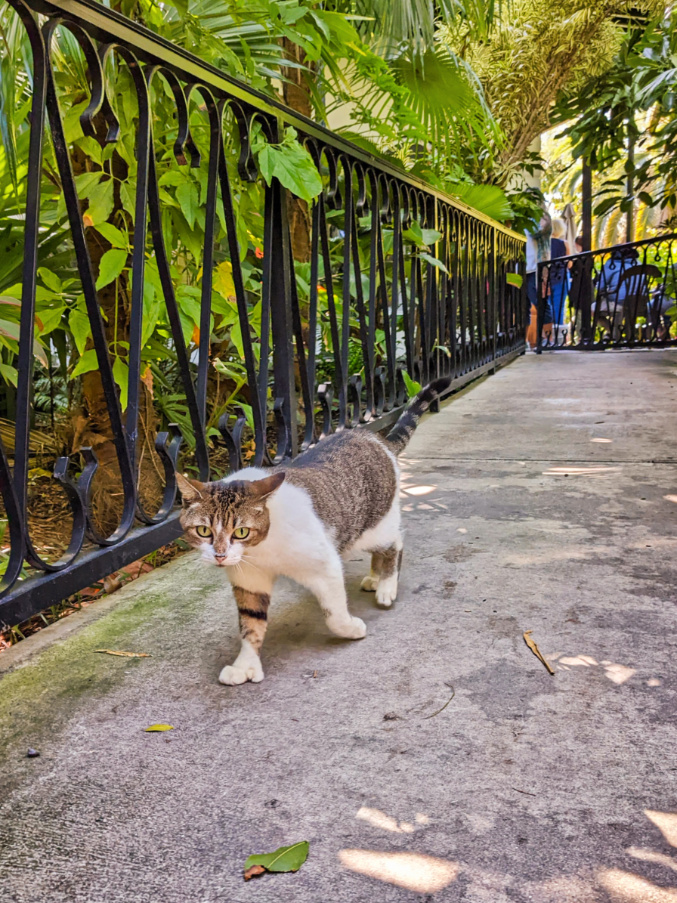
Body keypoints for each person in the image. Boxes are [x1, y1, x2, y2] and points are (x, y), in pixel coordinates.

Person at [525, 211, 553, 347]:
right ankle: (521, 343)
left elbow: (540, 229)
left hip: (536, 268)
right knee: (521, 307)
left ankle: (547, 340)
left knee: (541, 303)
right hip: (519, 268)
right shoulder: (517, 218)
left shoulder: (541, 217)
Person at [549, 218, 571, 332]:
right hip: (561, 277)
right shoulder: (564, 244)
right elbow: (570, 264)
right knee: (559, 307)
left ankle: (546, 333)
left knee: (547, 306)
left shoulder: (545, 244)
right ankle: (558, 334)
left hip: (546, 277)